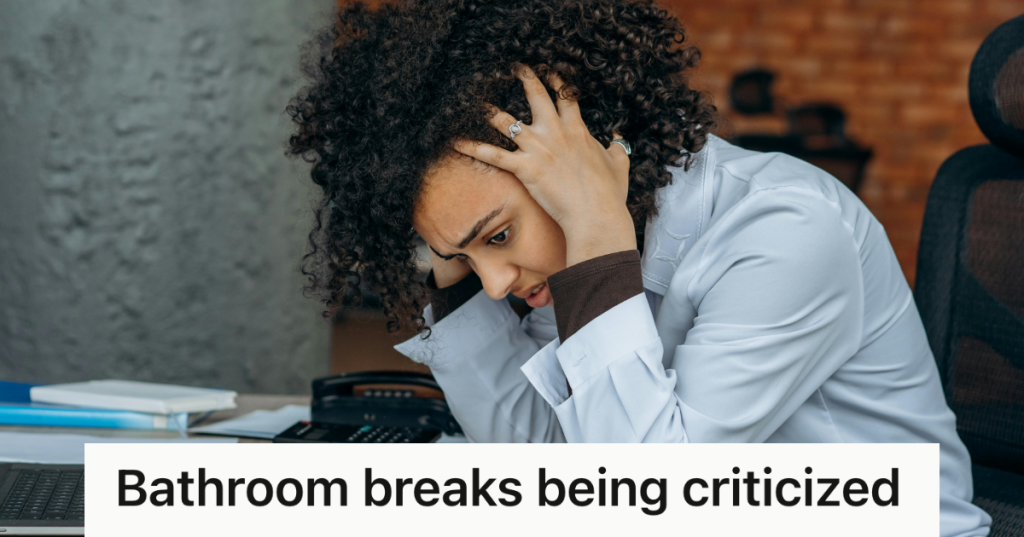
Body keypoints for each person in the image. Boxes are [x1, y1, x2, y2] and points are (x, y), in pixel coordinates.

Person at [286, 1, 990, 535]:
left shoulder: (782, 229)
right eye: (463, 254)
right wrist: (448, 263)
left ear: (584, 150)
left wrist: (594, 230)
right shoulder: (556, 268)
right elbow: (548, 463)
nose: (496, 280)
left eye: (498, 235)